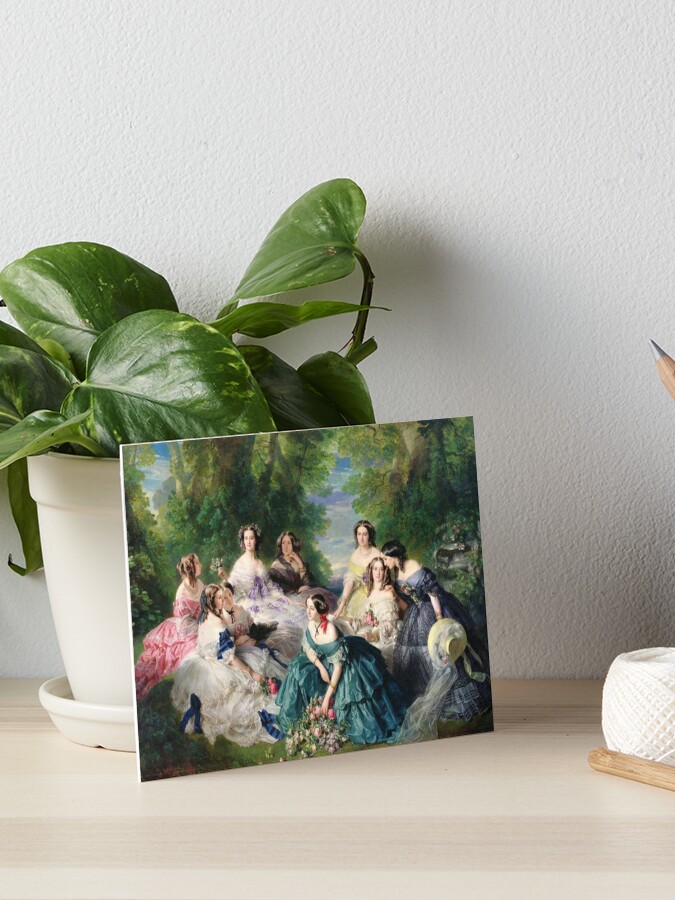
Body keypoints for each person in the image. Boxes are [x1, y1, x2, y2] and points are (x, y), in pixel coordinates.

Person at [276, 594, 408, 745]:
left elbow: (338, 667)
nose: (308, 612)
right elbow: (307, 648)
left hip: (345, 666)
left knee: (356, 702)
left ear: (320, 610)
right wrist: (320, 667)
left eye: (312, 608)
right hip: (324, 663)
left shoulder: (331, 630)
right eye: (307, 608)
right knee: (297, 670)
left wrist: (326, 699)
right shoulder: (311, 624)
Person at [380, 539, 490, 718]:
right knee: (425, 654)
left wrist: (439, 617)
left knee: (444, 649)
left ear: (394, 556)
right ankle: (435, 700)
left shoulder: (413, 564)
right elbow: (408, 601)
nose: (385, 562)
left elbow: (432, 592)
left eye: (386, 558)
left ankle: (457, 700)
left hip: (433, 608)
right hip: (416, 613)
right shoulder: (395, 572)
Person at [171, 583, 287, 746]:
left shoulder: (204, 615)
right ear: (211, 601)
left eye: (223, 596)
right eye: (219, 597)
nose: (223, 600)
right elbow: (230, 657)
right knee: (248, 688)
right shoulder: (218, 623)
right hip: (216, 666)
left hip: (203, 659)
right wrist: (251, 673)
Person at [134, 552, 205, 700]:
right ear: (191, 568)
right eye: (197, 563)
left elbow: (206, 609)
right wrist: (200, 628)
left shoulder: (200, 585)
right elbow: (185, 623)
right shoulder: (182, 592)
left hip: (200, 624)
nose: (200, 565)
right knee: (191, 647)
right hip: (184, 629)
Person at [229, 524, 307, 633]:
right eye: (246, 538)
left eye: (251, 538)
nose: (248, 542)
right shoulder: (240, 563)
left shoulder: (260, 563)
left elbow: (271, 588)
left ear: (256, 540)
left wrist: (291, 602)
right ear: (242, 541)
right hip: (249, 607)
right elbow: (230, 587)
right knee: (274, 628)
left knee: (292, 617)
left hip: (266, 601)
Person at [353, 556, 402, 671]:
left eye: (381, 569)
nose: (378, 573)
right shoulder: (370, 593)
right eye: (375, 569)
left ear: (385, 571)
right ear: (371, 570)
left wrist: (373, 636)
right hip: (373, 631)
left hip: (386, 637)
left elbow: (389, 626)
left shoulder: (388, 592)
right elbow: (364, 618)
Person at [269, 531, 338, 609]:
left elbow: (306, 582)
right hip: (290, 597)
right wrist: (297, 590)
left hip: (304, 593)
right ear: (280, 545)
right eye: (283, 543)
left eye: (289, 543)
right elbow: (277, 588)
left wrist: (300, 563)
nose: (286, 546)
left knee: (321, 593)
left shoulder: (297, 559)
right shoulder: (276, 565)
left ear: (293, 545)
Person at [333, 520, 380, 622]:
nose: (361, 538)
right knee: (347, 620)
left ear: (370, 536)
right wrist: (342, 605)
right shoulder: (354, 556)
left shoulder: (377, 554)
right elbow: (350, 582)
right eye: (359, 534)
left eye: (364, 534)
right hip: (359, 594)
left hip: (375, 592)